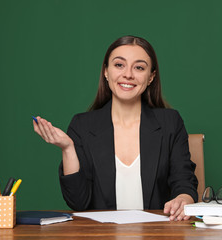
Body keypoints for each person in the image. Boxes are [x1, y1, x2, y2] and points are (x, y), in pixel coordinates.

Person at [33, 35, 198, 221]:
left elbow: (183, 179)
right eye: (119, 65)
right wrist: (68, 148)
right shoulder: (82, 125)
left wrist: (184, 198)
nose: (128, 74)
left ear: (151, 77)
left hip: (157, 233)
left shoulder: (170, 122)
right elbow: (78, 203)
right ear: (106, 71)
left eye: (139, 67)